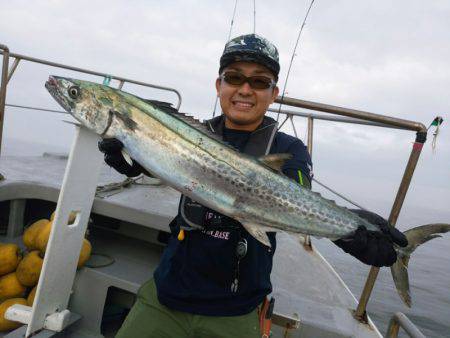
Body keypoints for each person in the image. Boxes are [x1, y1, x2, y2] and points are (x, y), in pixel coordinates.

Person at [99, 33, 407, 338]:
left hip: (237, 307)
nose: (244, 89)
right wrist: (132, 161)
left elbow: (298, 196)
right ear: (219, 85)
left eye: (259, 82)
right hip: (167, 292)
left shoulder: (289, 148)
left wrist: (350, 228)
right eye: (234, 77)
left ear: (274, 93)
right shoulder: (193, 133)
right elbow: (161, 165)